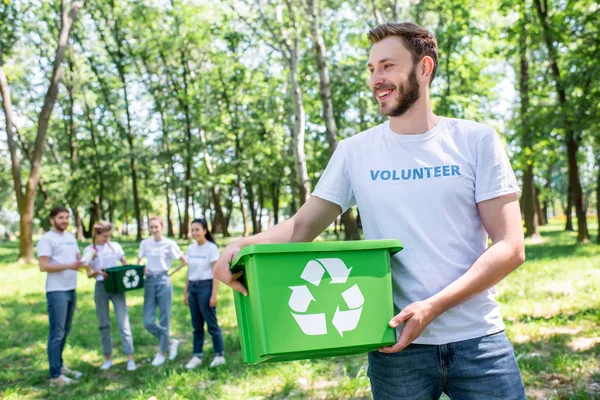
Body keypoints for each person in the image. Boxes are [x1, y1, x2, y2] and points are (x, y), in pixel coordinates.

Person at [214, 22, 526, 400]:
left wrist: (432, 307)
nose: (377, 79)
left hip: (479, 341)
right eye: (372, 69)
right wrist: (241, 246)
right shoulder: (355, 151)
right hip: (394, 346)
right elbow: (301, 226)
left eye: (388, 66)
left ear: (424, 69)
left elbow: (510, 247)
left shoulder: (476, 141)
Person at [37, 206, 84, 386]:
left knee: (65, 330)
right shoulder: (47, 239)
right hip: (56, 291)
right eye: (60, 218)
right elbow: (44, 266)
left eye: (66, 217)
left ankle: (60, 366)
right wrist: (69, 266)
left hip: (71, 288)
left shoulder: (71, 237)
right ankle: (55, 376)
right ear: (52, 220)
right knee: (56, 333)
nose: (64, 220)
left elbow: (79, 260)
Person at [84, 221, 137, 371]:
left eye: (108, 236)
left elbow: (125, 265)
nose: (106, 239)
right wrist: (97, 272)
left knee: (123, 322)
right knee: (104, 323)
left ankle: (130, 357)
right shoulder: (90, 250)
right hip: (101, 287)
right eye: (104, 236)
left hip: (117, 287)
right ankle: (108, 357)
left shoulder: (115, 247)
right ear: (97, 234)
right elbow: (89, 274)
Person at [137, 216, 187, 367]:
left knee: (165, 318)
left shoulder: (169, 244)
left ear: (162, 227)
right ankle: (171, 342)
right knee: (148, 321)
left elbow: (183, 261)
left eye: (156, 227)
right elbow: (139, 260)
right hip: (149, 281)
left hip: (164, 281)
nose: (153, 230)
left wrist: (170, 274)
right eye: (151, 227)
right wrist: (141, 267)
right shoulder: (145, 243)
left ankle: (162, 352)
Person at [183, 218, 225, 369]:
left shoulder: (211, 248)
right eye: (192, 230)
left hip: (206, 288)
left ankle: (219, 355)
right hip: (193, 288)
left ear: (205, 230)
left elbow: (216, 272)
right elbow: (189, 271)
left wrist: (214, 294)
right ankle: (197, 355)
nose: (194, 233)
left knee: (211, 323)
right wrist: (185, 292)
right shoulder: (191, 248)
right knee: (196, 325)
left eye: (197, 229)